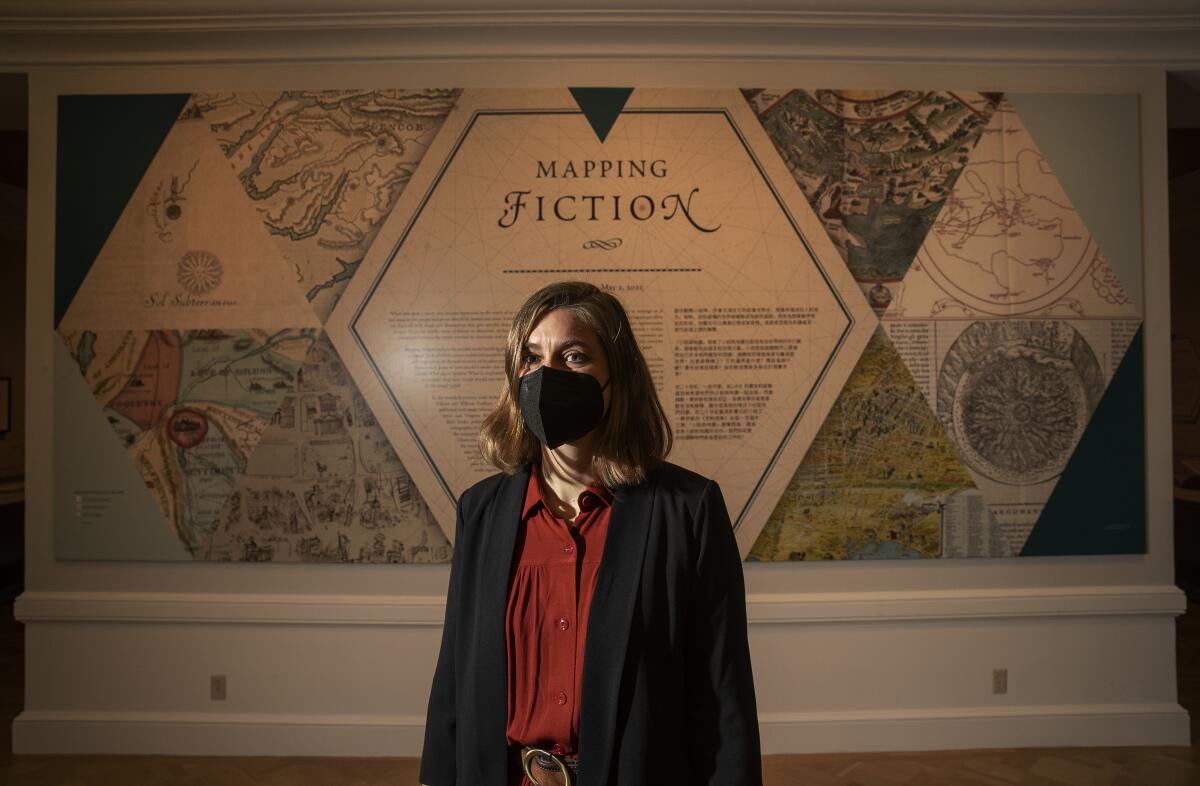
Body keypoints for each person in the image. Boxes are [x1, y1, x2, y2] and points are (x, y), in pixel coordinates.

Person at [419, 281, 762, 786]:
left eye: (573, 356)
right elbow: (455, 669)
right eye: (531, 358)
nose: (546, 375)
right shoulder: (482, 509)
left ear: (616, 376)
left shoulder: (687, 509)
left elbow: (721, 689)